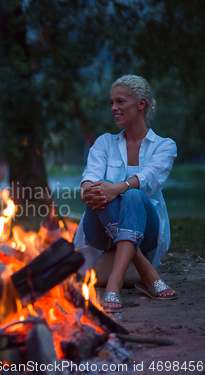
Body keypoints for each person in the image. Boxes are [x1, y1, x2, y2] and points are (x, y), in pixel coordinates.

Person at [74, 75, 177, 313]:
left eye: (120, 101)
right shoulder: (103, 143)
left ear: (141, 104)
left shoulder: (165, 146)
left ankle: (114, 281)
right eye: (111, 103)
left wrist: (117, 188)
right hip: (100, 232)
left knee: (134, 195)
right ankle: (143, 269)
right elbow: (89, 178)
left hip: (147, 231)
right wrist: (87, 191)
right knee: (102, 188)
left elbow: (150, 179)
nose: (114, 108)